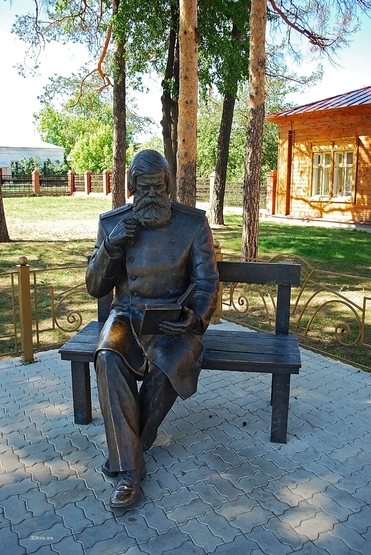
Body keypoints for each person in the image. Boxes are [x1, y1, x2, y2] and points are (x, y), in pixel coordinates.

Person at [86, 149, 219, 510]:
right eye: (143, 189)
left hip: (174, 320)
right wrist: (111, 247)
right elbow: (95, 287)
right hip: (127, 316)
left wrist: (194, 317)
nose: (152, 197)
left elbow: (207, 283)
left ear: (169, 186)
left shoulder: (192, 224)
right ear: (130, 187)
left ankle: (129, 454)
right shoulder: (112, 224)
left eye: (159, 189)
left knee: (172, 359)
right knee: (108, 355)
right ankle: (131, 468)